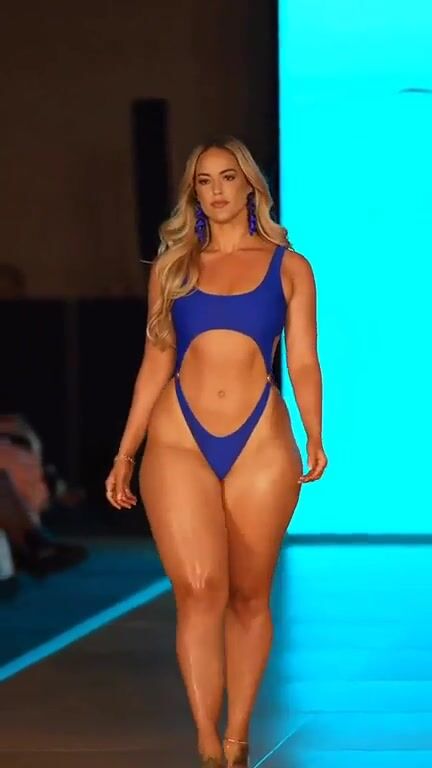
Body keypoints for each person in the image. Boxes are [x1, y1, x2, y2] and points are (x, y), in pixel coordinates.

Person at [105, 136, 328, 767]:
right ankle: (207, 743)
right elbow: (156, 359)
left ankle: (238, 737)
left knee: (249, 596)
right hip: (180, 436)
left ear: (250, 185)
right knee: (200, 587)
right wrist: (126, 451)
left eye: (228, 177)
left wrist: (315, 432)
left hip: (261, 438)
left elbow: (303, 360)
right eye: (204, 181)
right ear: (193, 194)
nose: (217, 191)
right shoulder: (173, 266)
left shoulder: (290, 267)